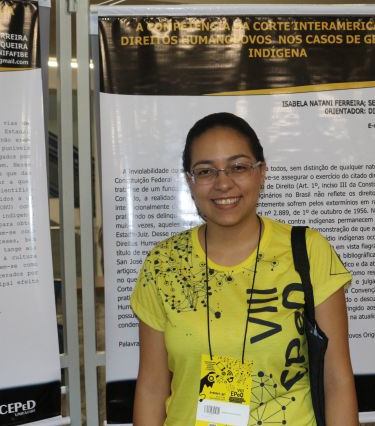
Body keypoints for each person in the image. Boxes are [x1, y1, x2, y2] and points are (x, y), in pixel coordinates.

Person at [131, 112, 358, 425]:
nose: (224, 183)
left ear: (261, 172)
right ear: (190, 181)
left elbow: (337, 380)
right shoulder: (163, 264)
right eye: (206, 171)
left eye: (238, 167)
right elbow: (152, 387)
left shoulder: (308, 250)